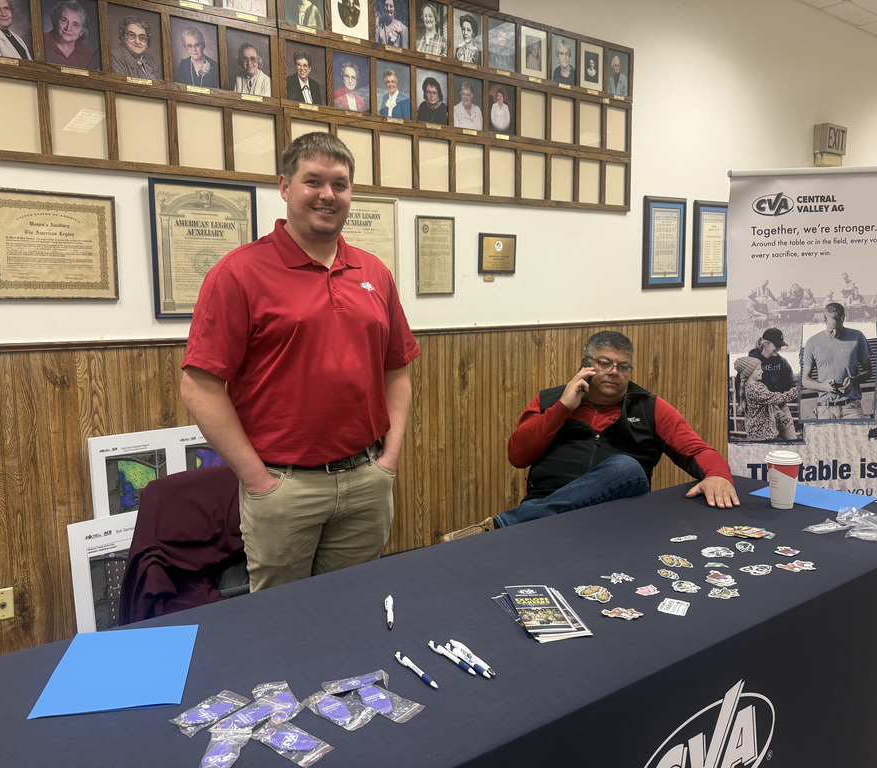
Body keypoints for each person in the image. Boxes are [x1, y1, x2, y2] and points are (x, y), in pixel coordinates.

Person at [180, 132, 420, 591]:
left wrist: (388, 459)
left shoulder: (374, 272)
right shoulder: (239, 273)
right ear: (285, 187)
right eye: (314, 181)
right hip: (284, 487)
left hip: (366, 480)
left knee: (353, 608)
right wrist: (258, 480)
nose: (328, 195)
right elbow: (199, 386)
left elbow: (398, 370)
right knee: (283, 627)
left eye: (341, 184)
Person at [441, 331, 737, 541]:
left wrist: (718, 475)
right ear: (586, 363)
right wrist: (562, 408)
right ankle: (521, 524)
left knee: (627, 467)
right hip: (546, 506)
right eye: (605, 363)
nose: (614, 372)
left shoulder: (649, 407)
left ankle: (500, 527)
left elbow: (698, 451)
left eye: (623, 367)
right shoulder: (550, 400)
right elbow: (517, 456)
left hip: (617, 514)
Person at [801, 302, 872, 419]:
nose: (835, 333)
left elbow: (868, 370)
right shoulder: (812, 343)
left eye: (838, 328)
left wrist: (853, 381)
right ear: (824, 320)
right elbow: (805, 380)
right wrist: (823, 386)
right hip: (825, 408)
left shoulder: (857, 336)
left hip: (852, 408)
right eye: (831, 329)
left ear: (843, 318)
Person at [735, 328, 798, 439]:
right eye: (776, 345)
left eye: (780, 346)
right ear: (765, 344)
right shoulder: (751, 363)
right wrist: (743, 406)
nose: (779, 349)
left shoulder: (782, 362)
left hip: (780, 407)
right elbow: (740, 385)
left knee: (791, 440)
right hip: (761, 412)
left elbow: (791, 384)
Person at [42, 0, 97, 69]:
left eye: (75, 25)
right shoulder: (40, 41)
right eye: (64, 20)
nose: (68, 28)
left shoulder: (89, 55)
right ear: (56, 20)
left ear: (82, 31)